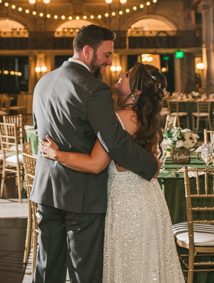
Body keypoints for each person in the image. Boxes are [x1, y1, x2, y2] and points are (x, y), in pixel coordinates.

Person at [31, 25, 159, 283]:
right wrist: (150, 165)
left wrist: (57, 154)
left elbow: (38, 130)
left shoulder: (43, 82)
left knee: (47, 268)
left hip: (47, 189)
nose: (109, 63)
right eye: (107, 54)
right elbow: (115, 142)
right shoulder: (93, 88)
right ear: (88, 51)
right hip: (83, 193)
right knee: (84, 272)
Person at [41, 63, 184, 283]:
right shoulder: (150, 119)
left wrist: (57, 154)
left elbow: (95, 164)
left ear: (136, 91)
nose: (119, 74)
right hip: (150, 200)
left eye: (126, 75)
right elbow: (152, 162)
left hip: (126, 203)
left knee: (128, 265)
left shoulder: (117, 120)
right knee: (148, 264)